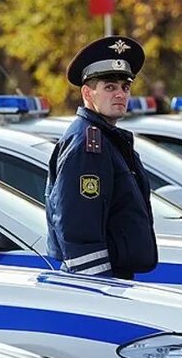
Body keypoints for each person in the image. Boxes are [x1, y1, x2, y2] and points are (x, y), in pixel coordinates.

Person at [45, 36, 157, 279]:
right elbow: (78, 225)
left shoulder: (107, 139)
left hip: (115, 276)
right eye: (109, 87)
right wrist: (99, 287)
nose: (120, 94)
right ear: (87, 92)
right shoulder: (88, 144)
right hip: (100, 281)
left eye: (124, 87)